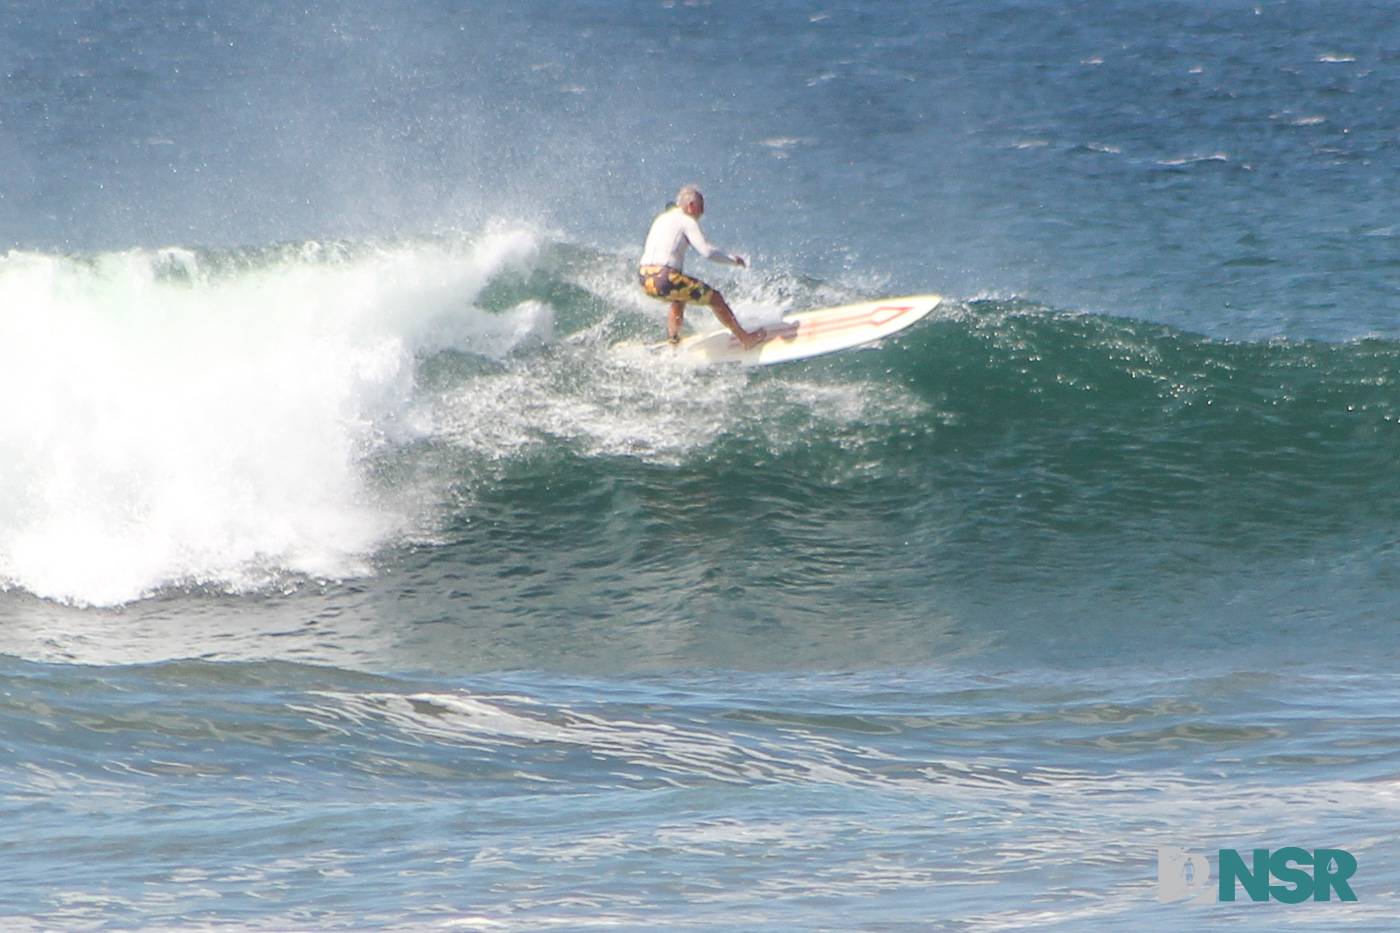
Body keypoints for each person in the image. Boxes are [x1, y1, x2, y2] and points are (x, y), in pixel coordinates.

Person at [639, 186, 767, 349]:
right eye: (701, 207)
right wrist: (733, 260)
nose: (703, 212)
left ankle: (673, 344)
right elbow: (707, 252)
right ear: (691, 206)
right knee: (715, 298)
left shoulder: (662, 219)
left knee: (679, 297)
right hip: (664, 278)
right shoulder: (687, 220)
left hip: (644, 278)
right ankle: (746, 339)